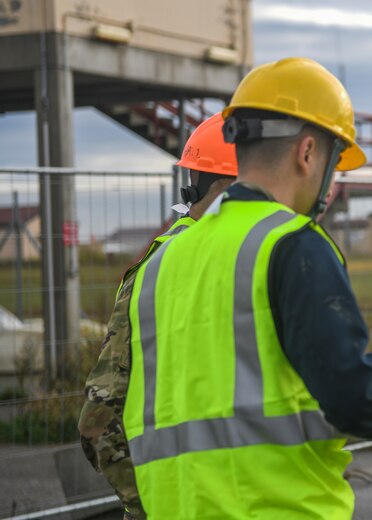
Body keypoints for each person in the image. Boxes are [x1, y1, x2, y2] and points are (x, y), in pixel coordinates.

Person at [120, 57, 372, 519]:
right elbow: (349, 393)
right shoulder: (292, 245)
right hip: (274, 506)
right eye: (335, 163)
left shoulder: (162, 261)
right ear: (308, 153)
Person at [78, 112, 238, 519]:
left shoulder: (158, 264)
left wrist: (148, 502)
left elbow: (98, 418)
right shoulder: (244, 263)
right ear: (232, 188)